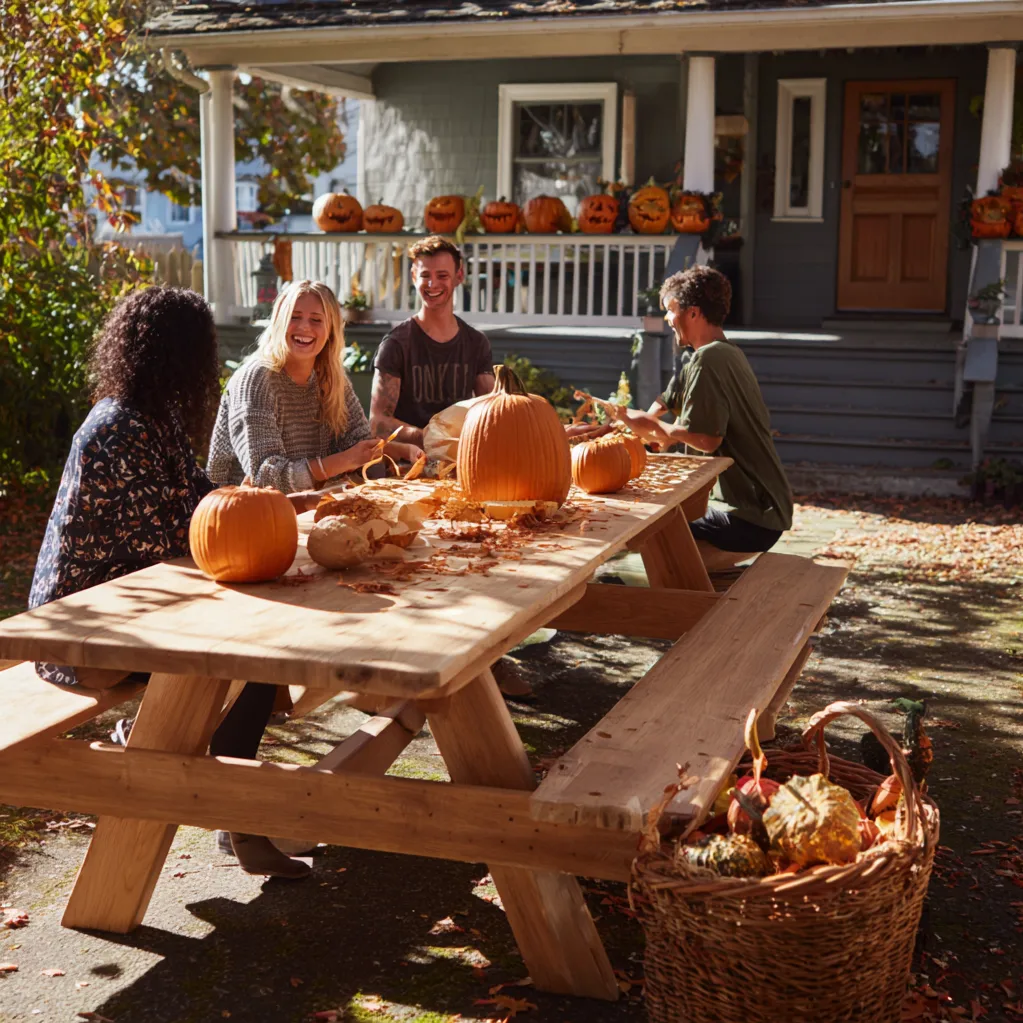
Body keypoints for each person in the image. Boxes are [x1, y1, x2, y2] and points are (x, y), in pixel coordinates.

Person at [28, 287, 310, 880]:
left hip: (140, 606)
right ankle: (240, 824)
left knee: (262, 652)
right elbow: (172, 536)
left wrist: (280, 504)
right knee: (250, 655)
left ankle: (239, 823)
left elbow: (201, 501)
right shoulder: (117, 429)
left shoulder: (156, 420)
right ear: (180, 355)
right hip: (85, 630)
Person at [609, 265, 793, 571]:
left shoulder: (711, 359)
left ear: (693, 313)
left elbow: (706, 441)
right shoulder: (712, 354)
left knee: (652, 532)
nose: (668, 319)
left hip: (751, 515)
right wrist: (634, 426)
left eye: (671, 310)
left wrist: (660, 430)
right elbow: (663, 403)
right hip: (763, 510)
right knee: (661, 540)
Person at [207, 280, 420, 492]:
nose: (304, 327)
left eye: (316, 320)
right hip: (247, 513)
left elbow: (358, 444)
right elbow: (265, 476)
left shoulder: (332, 378)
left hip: (315, 507)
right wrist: (345, 460)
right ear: (279, 321)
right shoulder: (256, 379)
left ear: (331, 330)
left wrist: (397, 451)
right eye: (294, 317)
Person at [370, 236, 495, 446]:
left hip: (461, 459)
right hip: (407, 468)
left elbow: (494, 409)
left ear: (459, 275)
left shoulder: (476, 343)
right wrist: (428, 437)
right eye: (425, 275)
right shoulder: (396, 345)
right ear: (413, 276)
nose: (432, 283)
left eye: (442, 275)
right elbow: (377, 422)